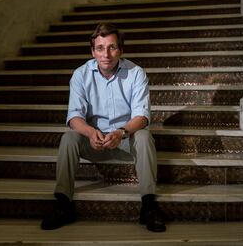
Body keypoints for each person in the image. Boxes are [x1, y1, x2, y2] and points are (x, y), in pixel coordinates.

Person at [41, 23, 166, 232]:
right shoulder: (80, 75)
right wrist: (90, 133)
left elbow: (142, 117)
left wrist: (122, 132)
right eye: (100, 48)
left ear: (121, 50)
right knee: (69, 138)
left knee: (143, 136)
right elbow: (74, 117)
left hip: (126, 140)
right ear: (92, 51)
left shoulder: (136, 73)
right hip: (95, 142)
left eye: (112, 47)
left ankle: (148, 206)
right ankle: (63, 205)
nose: (106, 54)